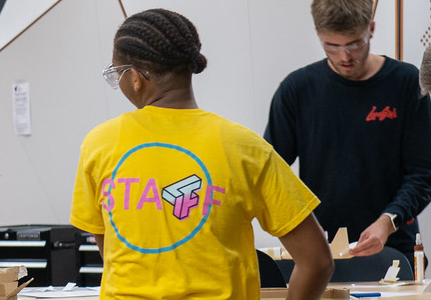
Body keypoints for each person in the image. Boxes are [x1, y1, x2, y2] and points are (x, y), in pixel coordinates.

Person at [70, 9, 333, 299]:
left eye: (117, 73)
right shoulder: (246, 148)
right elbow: (317, 261)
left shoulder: (99, 144)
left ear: (135, 78)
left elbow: (113, 256)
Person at [264, 0, 431, 261]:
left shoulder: (406, 82)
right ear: (319, 35)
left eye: (354, 43)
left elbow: (423, 174)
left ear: (371, 29)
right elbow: (271, 173)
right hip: (321, 253)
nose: (345, 56)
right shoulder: (297, 90)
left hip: (392, 249)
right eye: (332, 46)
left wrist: (388, 221)